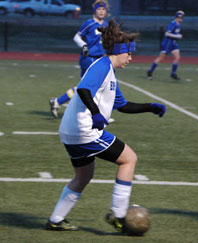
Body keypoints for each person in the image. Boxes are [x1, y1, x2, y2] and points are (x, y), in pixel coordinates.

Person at [45, 20, 167, 232]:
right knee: (129, 159)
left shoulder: (110, 73)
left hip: (71, 131)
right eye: (129, 54)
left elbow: (123, 105)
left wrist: (150, 107)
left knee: (83, 177)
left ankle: (55, 220)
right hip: (84, 130)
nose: (131, 58)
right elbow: (83, 90)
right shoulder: (102, 65)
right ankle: (119, 216)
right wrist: (95, 113)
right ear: (119, 51)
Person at [49, 0, 109, 119]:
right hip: (88, 59)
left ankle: (58, 101)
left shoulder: (106, 25)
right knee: (93, 87)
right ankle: (97, 114)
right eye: (99, 9)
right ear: (94, 10)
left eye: (103, 9)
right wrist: (84, 46)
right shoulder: (89, 23)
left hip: (99, 59)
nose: (101, 12)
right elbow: (76, 37)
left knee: (86, 88)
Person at [147, 10, 185, 81]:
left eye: (181, 17)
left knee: (177, 57)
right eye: (179, 17)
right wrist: (178, 36)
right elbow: (167, 34)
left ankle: (173, 74)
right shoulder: (173, 23)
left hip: (173, 43)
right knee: (161, 58)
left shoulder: (178, 24)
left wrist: (176, 37)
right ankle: (150, 71)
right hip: (167, 43)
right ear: (176, 17)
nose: (180, 18)